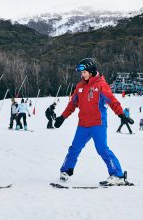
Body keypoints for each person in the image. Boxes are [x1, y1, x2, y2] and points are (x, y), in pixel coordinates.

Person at [54, 58, 131, 186]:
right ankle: (66, 170)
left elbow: (112, 101)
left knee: (102, 149)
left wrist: (121, 114)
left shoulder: (101, 85)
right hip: (83, 124)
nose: (82, 75)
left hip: (97, 124)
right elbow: (72, 104)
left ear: (91, 71)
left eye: (84, 72)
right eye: (81, 73)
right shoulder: (80, 86)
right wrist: (62, 117)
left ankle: (118, 175)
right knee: (74, 148)